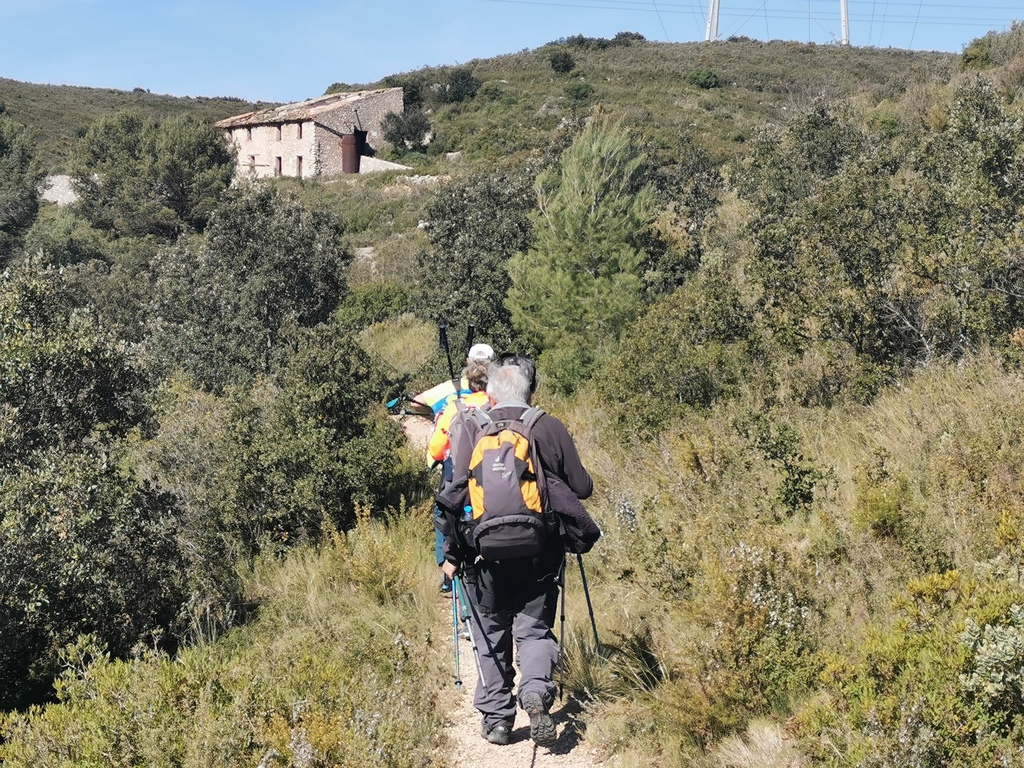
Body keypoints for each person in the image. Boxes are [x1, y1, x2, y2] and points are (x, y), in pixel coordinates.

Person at [438, 360, 593, 747]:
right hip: (540, 554)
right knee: (534, 630)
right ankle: (536, 692)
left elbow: (455, 498)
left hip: (483, 557)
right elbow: (582, 487)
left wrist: (452, 555)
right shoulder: (547, 426)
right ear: (529, 393)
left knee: (490, 634)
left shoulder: (472, 427)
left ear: (490, 394)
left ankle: (497, 721)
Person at [428, 354, 490, 595]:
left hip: (461, 481)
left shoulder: (454, 407)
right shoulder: (497, 405)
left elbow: (435, 449)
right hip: (493, 480)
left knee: (442, 514)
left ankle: (448, 572)